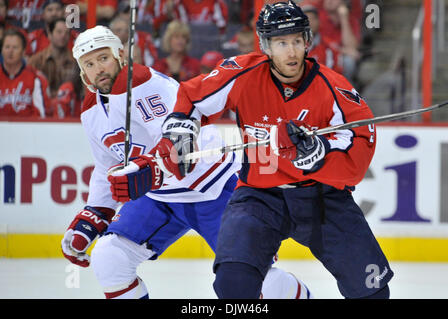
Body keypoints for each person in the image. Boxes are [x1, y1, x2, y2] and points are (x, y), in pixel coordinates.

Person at [150, 1, 393, 299]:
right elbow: (191, 96)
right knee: (233, 286)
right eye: (281, 43)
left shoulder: (334, 89)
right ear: (266, 45)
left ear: (307, 41)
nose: (291, 52)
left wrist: (321, 154)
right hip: (259, 195)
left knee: (372, 291)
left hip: (321, 197)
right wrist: (181, 131)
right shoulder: (242, 74)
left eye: (296, 41)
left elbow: (359, 150)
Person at [61, 25, 312, 299]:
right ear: (82, 71)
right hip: (159, 197)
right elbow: (107, 164)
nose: (99, 68)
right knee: (109, 258)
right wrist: (94, 213)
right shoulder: (91, 111)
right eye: (90, 64)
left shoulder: (150, 85)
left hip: (213, 188)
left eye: (103, 58)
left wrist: (153, 167)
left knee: (252, 281)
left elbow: (181, 141)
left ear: (121, 55)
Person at [0, 28, 50, 118]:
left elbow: (42, 117)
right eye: (7, 47)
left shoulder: (36, 78)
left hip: (28, 130)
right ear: (2, 50)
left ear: (23, 52)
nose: (10, 51)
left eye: (15, 47)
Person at [28, 17, 78, 99]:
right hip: (44, 106)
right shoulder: (36, 61)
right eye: (59, 32)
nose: (63, 35)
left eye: (66, 33)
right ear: (49, 34)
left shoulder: (76, 61)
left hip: (68, 107)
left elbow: (81, 93)